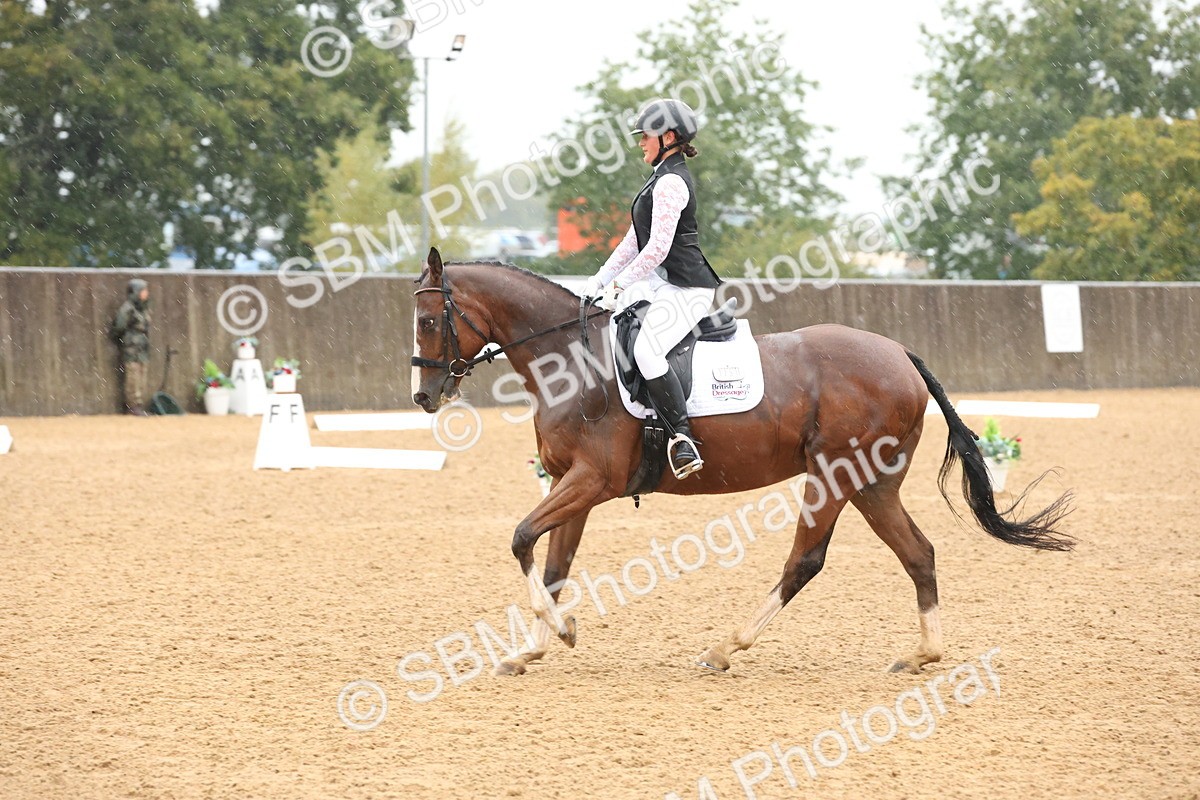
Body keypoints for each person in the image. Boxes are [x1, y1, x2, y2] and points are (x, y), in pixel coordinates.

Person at [585, 98, 722, 480]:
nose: (640, 142)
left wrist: (619, 284)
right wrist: (596, 283)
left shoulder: (672, 182)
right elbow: (632, 243)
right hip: (663, 286)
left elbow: (658, 248)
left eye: (646, 135)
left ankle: (682, 438)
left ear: (669, 136)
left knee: (646, 350)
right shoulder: (657, 178)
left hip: (688, 289)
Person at [111, 278, 151, 416]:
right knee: (132, 377)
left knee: (142, 376)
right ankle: (132, 406)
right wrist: (127, 340)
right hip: (131, 348)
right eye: (143, 291)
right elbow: (118, 327)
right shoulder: (127, 309)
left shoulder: (143, 309)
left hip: (142, 348)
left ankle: (139, 405)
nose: (146, 293)